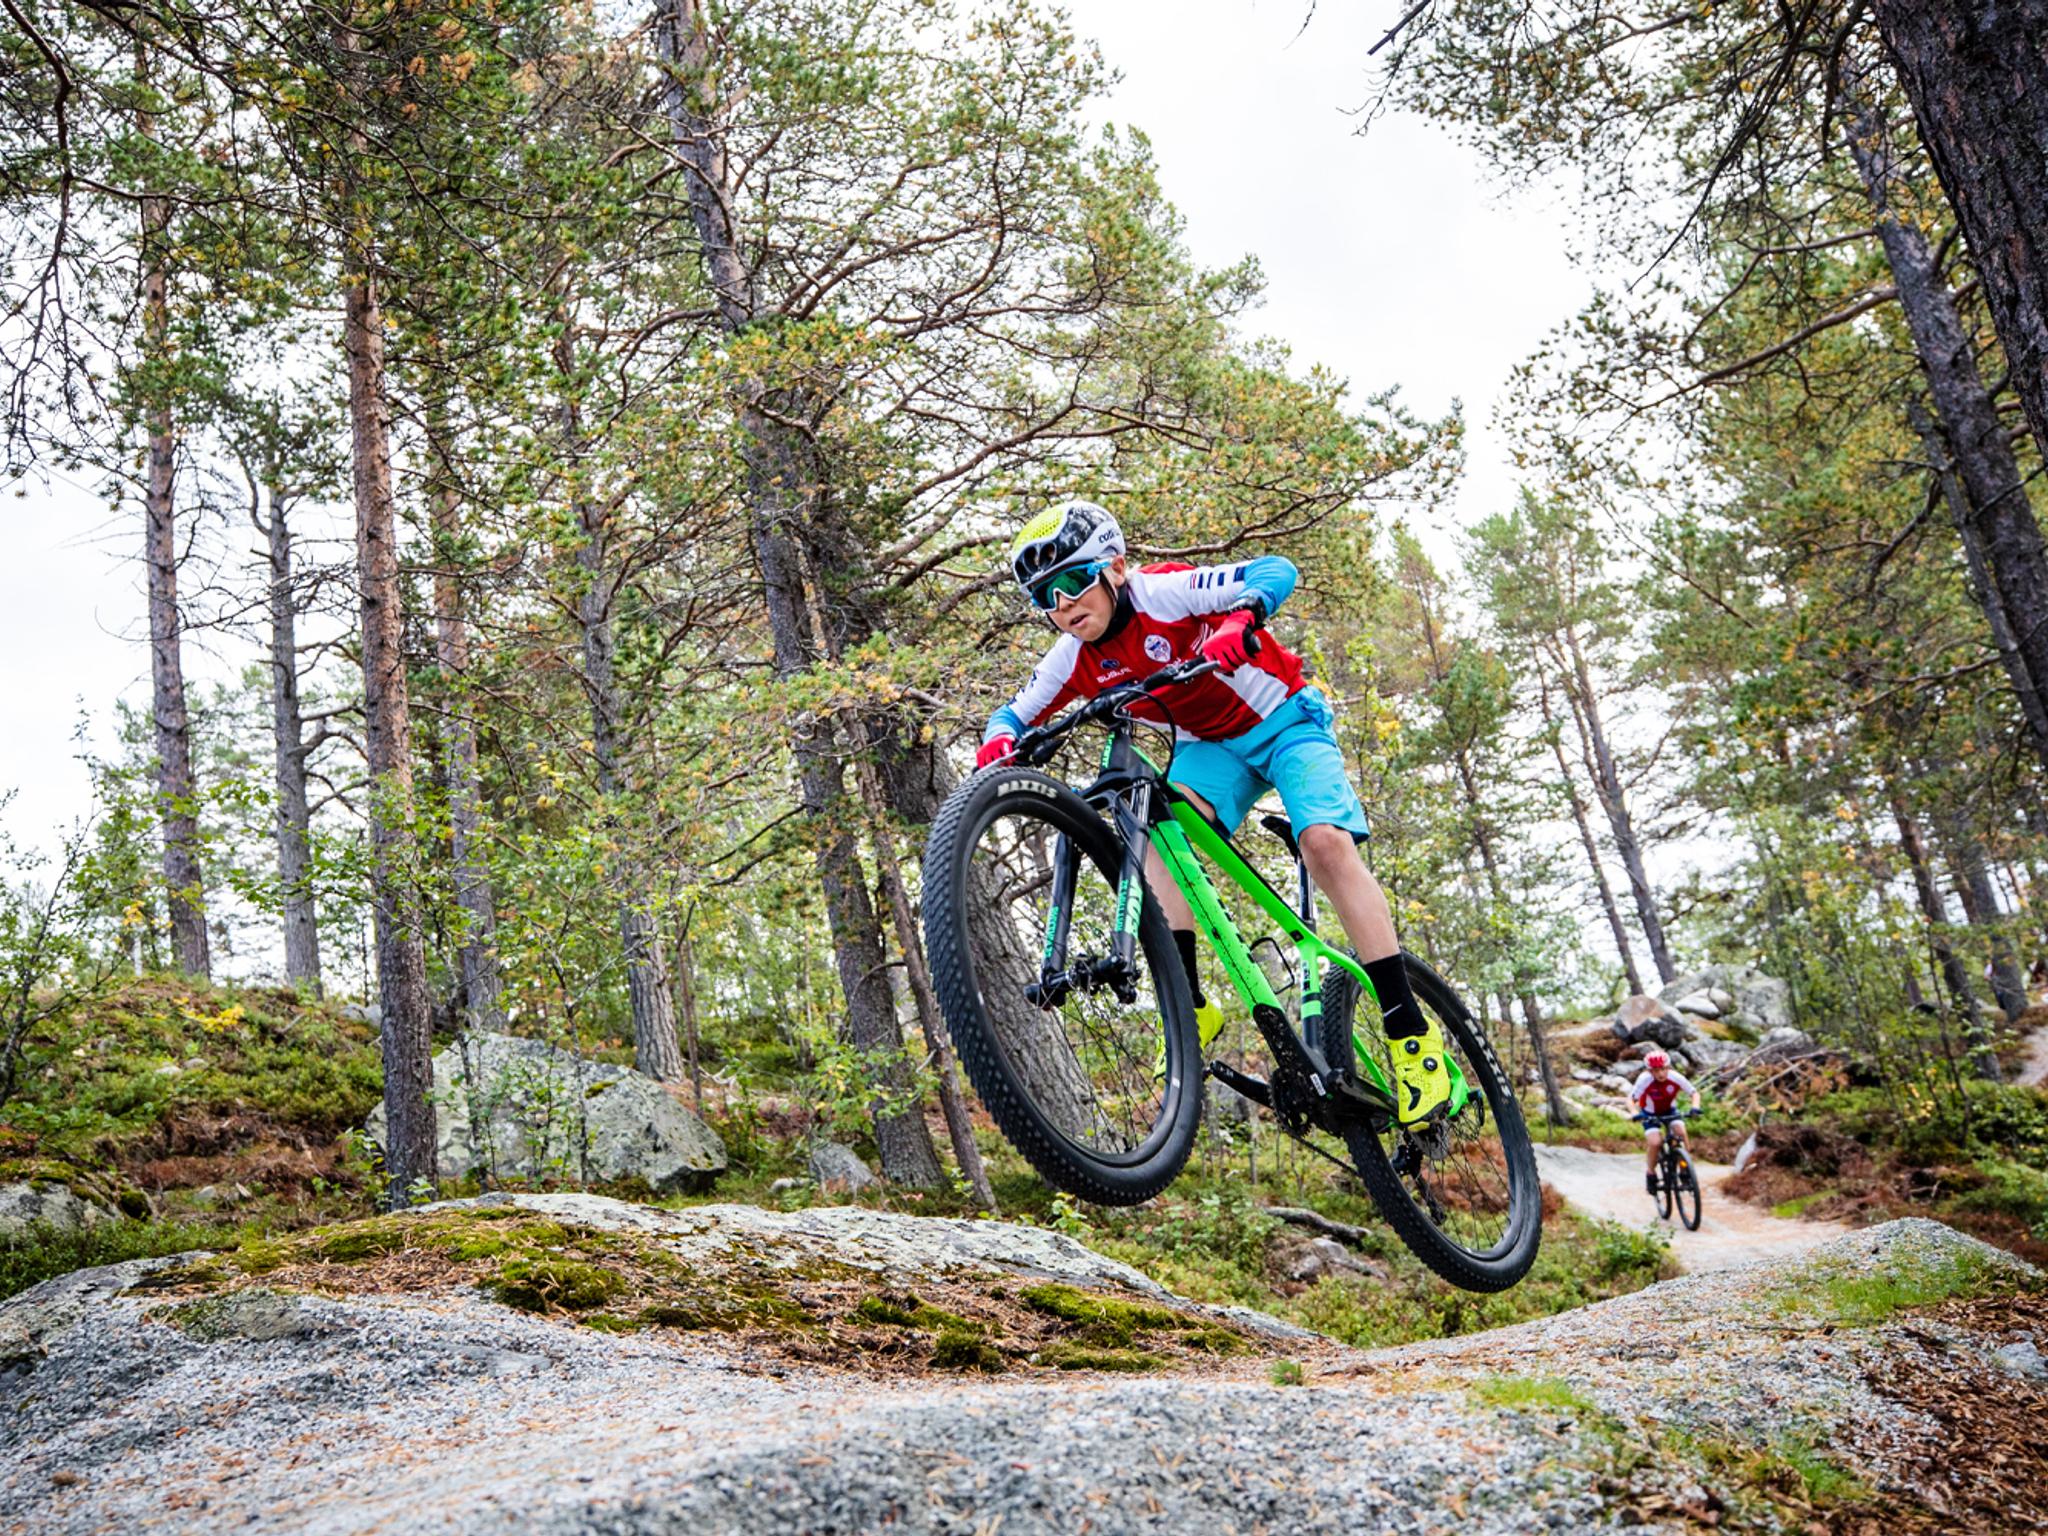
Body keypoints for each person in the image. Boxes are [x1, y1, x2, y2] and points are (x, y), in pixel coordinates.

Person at [975, 497, 1451, 1128]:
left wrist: (1239, 621)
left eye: (1071, 583)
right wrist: (997, 744)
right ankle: (1190, 1004)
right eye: (1045, 598)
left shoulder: (1162, 593)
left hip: (1284, 722)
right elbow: (1011, 716)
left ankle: (1409, 1033)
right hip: (1210, 753)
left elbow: (1274, 569)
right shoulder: (1072, 656)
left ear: (1114, 568)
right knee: (1153, 849)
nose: (1063, 607)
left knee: (1325, 846)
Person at [1628, 1049, 1701, 1195]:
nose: (1660, 1073)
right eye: (1655, 1070)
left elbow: (1694, 1093)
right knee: (1655, 1143)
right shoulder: (1644, 1080)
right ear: (1650, 1071)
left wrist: (1695, 1107)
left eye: (1663, 1069)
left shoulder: (1675, 1077)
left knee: (1680, 1132)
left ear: (1668, 1067)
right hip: (1649, 1113)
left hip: (1670, 1111)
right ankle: (1650, 1173)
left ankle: (1685, 1168)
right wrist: (1635, 1113)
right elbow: (1631, 1099)